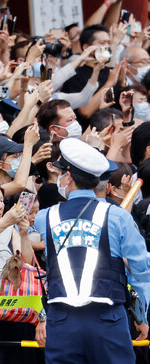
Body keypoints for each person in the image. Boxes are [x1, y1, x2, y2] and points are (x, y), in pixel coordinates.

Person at [34, 138, 150, 362]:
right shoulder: (117, 216)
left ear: (68, 177)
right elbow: (141, 270)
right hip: (107, 319)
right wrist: (141, 316)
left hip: (62, 320)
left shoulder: (44, 217)